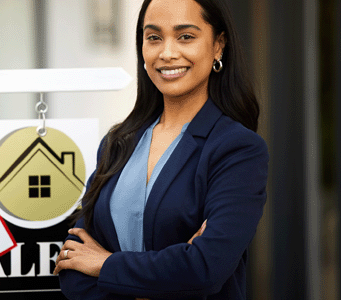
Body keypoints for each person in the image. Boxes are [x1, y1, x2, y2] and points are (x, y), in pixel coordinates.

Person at [53, 0, 268, 299]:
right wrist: (166, 280)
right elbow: (73, 265)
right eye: (153, 37)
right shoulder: (117, 144)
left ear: (218, 45)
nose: (167, 53)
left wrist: (105, 264)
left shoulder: (237, 149)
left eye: (185, 37)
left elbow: (204, 270)